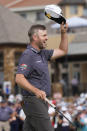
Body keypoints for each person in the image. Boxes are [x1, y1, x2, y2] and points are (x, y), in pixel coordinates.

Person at [16, 23, 68, 131]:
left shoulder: (43, 53)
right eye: (44, 35)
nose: (47, 38)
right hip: (34, 100)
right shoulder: (28, 55)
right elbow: (19, 78)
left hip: (40, 101)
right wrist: (36, 91)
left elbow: (63, 51)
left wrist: (63, 32)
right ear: (35, 37)